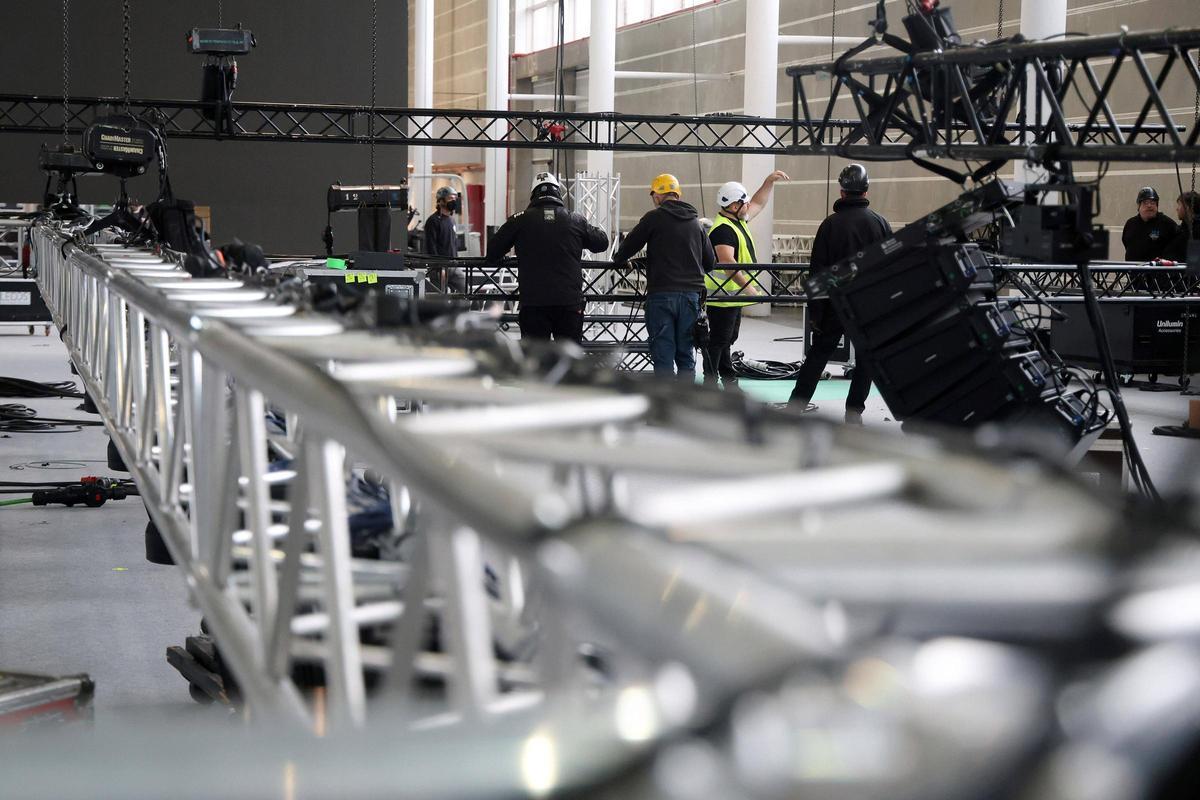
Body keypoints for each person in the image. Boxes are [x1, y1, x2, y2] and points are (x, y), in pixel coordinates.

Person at [787, 164, 892, 424]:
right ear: (866, 189)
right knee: (867, 358)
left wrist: (816, 313)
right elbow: (891, 268)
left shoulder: (830, 225)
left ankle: (796, 406)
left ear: (842, 191)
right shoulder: (880, 223)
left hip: (835, 304)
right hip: (868, 305)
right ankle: (854, 410)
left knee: (818, 356)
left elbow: (817, 272)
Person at [485, 172, 609, 344]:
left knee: (534, 361)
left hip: (534, 303)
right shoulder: (575, 219)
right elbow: (602, 242)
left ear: (533, 194)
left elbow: (492, 252)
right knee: (568, 360)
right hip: (569, 303)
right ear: (558, 192)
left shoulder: (519, 220)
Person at [612, 173, 713, 381]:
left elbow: (624, 251)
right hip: (691, 298)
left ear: (658, 196)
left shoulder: (653, 218)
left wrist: (625, 261)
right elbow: (710, 263)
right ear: (677, 194)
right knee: (686, 355)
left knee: (663, 354)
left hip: (661, 295)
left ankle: (664, 406)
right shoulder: (696, 223)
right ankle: (683, 404)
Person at [704, 170, 790, 387]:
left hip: (732, 296)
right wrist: (750, 288)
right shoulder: (723, 230)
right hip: (723, 295)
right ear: (734, 206)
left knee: (726, 340)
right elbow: (728, 264)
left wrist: (768, 181)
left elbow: (759, 203)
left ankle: (727, 379)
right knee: (718, 341)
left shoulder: (736, 220)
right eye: (744, 202)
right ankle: (711, 382)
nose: (748, 205)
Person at [424, 185, 465, 292]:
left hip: (454, 266)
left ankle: (469, 308)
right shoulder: (433, 221)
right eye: (450, 199)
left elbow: (453, 244)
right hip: (439, 268)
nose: (454, 201)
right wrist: (438, 266)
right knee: (440, 296)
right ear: (441, 201)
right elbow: (431, 246)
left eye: (455, 199)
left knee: (466, 290)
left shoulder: (452, 220)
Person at [1122, 186, 1176, 262]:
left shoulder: (1167, 224)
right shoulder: (1130, 224)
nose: (1149, 206)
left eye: (1153, 202)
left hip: (1159, 272)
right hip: (1133, 271)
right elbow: (1126, 243)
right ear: (1138, 206)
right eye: (1145, 203)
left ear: (1157, 205)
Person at [1163, 190, 1200, 263]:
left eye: (1179, 205)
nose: (1177, 209)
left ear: (1187, 208)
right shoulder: (1180, 230)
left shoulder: (1196, 231)